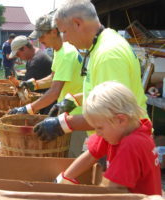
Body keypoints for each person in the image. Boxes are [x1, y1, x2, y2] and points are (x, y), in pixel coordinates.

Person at [34, 0, 148, 143]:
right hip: (112, 139)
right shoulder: (103, 41)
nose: (65, 40)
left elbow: (112, 115)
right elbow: (103, 91)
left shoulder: (108, 55)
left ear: (77, 23)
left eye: (64, 32)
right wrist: (74, 100)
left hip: (125, 143)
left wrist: (62, 124)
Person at [56, 81, 162, 195]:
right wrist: (64, 179)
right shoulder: (118, 133)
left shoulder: (132, 144)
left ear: (121, 120)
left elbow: (114, 189)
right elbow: (90, 155)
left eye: (100, 128)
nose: (97, 133)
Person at [9, 14, 86, 157]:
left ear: (54, 32)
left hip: (77, 112)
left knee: (70, 156)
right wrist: (34, 85)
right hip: (68, 110)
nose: (40, 40)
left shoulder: (66, 54)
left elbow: (54, 92)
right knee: (62, 154)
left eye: (42, 36)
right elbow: (53, 77)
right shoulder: (59, 50)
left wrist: (27, 109)